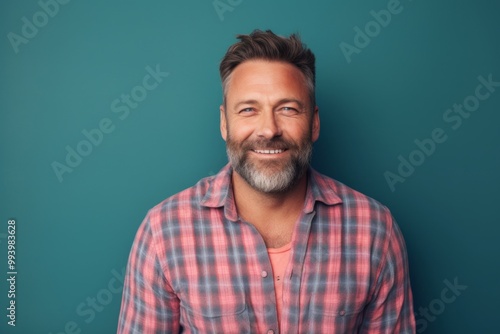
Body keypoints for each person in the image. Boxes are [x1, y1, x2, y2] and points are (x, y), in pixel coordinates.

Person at [117, 29, 416, 333]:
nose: (268, 129)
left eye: (287, 109)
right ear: (224, 123)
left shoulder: (376, 230)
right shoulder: (163, 233)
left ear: (314, 123)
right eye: (249, 110)